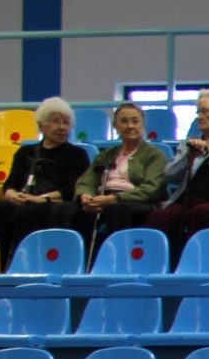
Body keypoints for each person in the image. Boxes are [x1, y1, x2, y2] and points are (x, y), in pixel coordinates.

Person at [143, 88, 209, 256]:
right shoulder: (190, 143)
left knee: (201, 213)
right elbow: (170, 176)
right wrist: (189, 155)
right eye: (198, 112)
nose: (199, 117)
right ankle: (155, 265)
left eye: (205, 111)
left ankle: (195, 261)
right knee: (159, 216)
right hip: (186, 203)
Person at [0, 97, 90, 255]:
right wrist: (11, 194)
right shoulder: (25, 152)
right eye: (56, 121)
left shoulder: (77, 154)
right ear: (42, 126)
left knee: (25, 213)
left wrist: (42, 198)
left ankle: (24, 259)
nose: (62, 127)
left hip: (54, 202)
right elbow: (11, 182)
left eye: (66, 122)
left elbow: (74, 188)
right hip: (25, 199)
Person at [68, 104, 169, 250]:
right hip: (102, 198)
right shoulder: (106, 155)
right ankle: (75, 259)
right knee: (67, 210)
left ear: (142, 124)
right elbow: (86, 181)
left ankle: (117, 258)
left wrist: (113, 199)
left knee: (118, 210)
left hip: (135, 201)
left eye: (135, 121)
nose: (130, 126)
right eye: (124, 121)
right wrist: (85, 197)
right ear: (115, 126)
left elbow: (151, 189)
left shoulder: (155, 155)